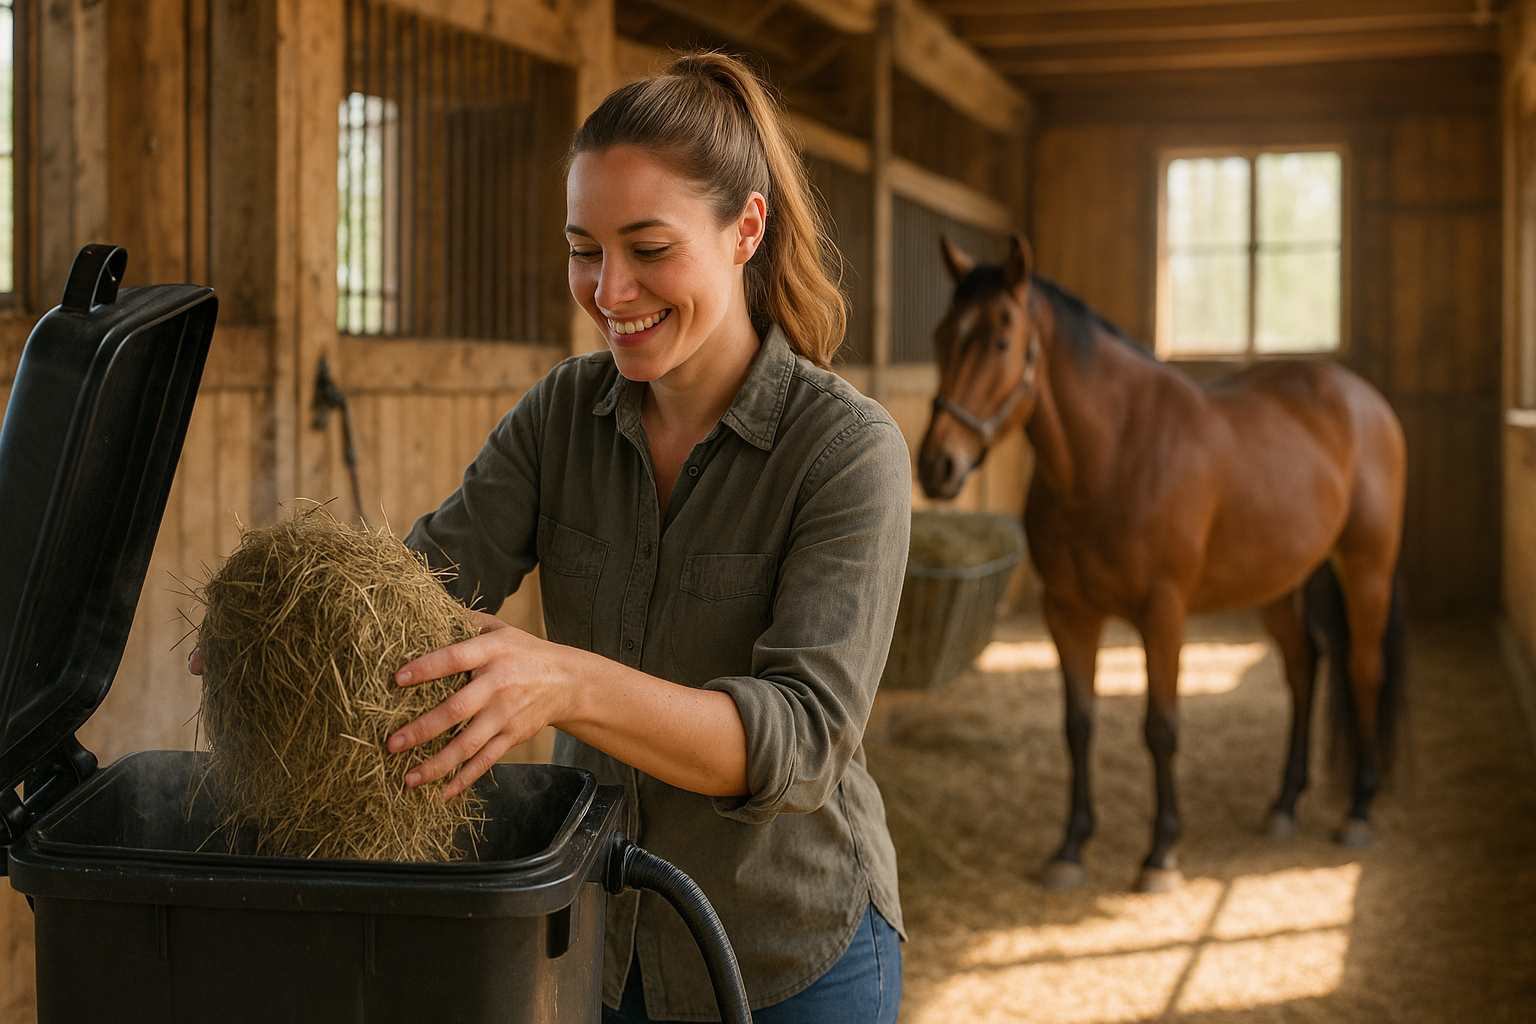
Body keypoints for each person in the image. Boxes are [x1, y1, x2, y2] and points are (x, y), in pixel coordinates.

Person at [197, 51, 909, 1023]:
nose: (610, 290)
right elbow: (419, 584)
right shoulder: (561, 414)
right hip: (596, 937)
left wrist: (567, 682)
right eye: (584, 249)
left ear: (746, 229)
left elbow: (801, 739)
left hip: (788, 949)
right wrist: (288, 626)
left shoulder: (845, 451)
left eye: (648, 248)